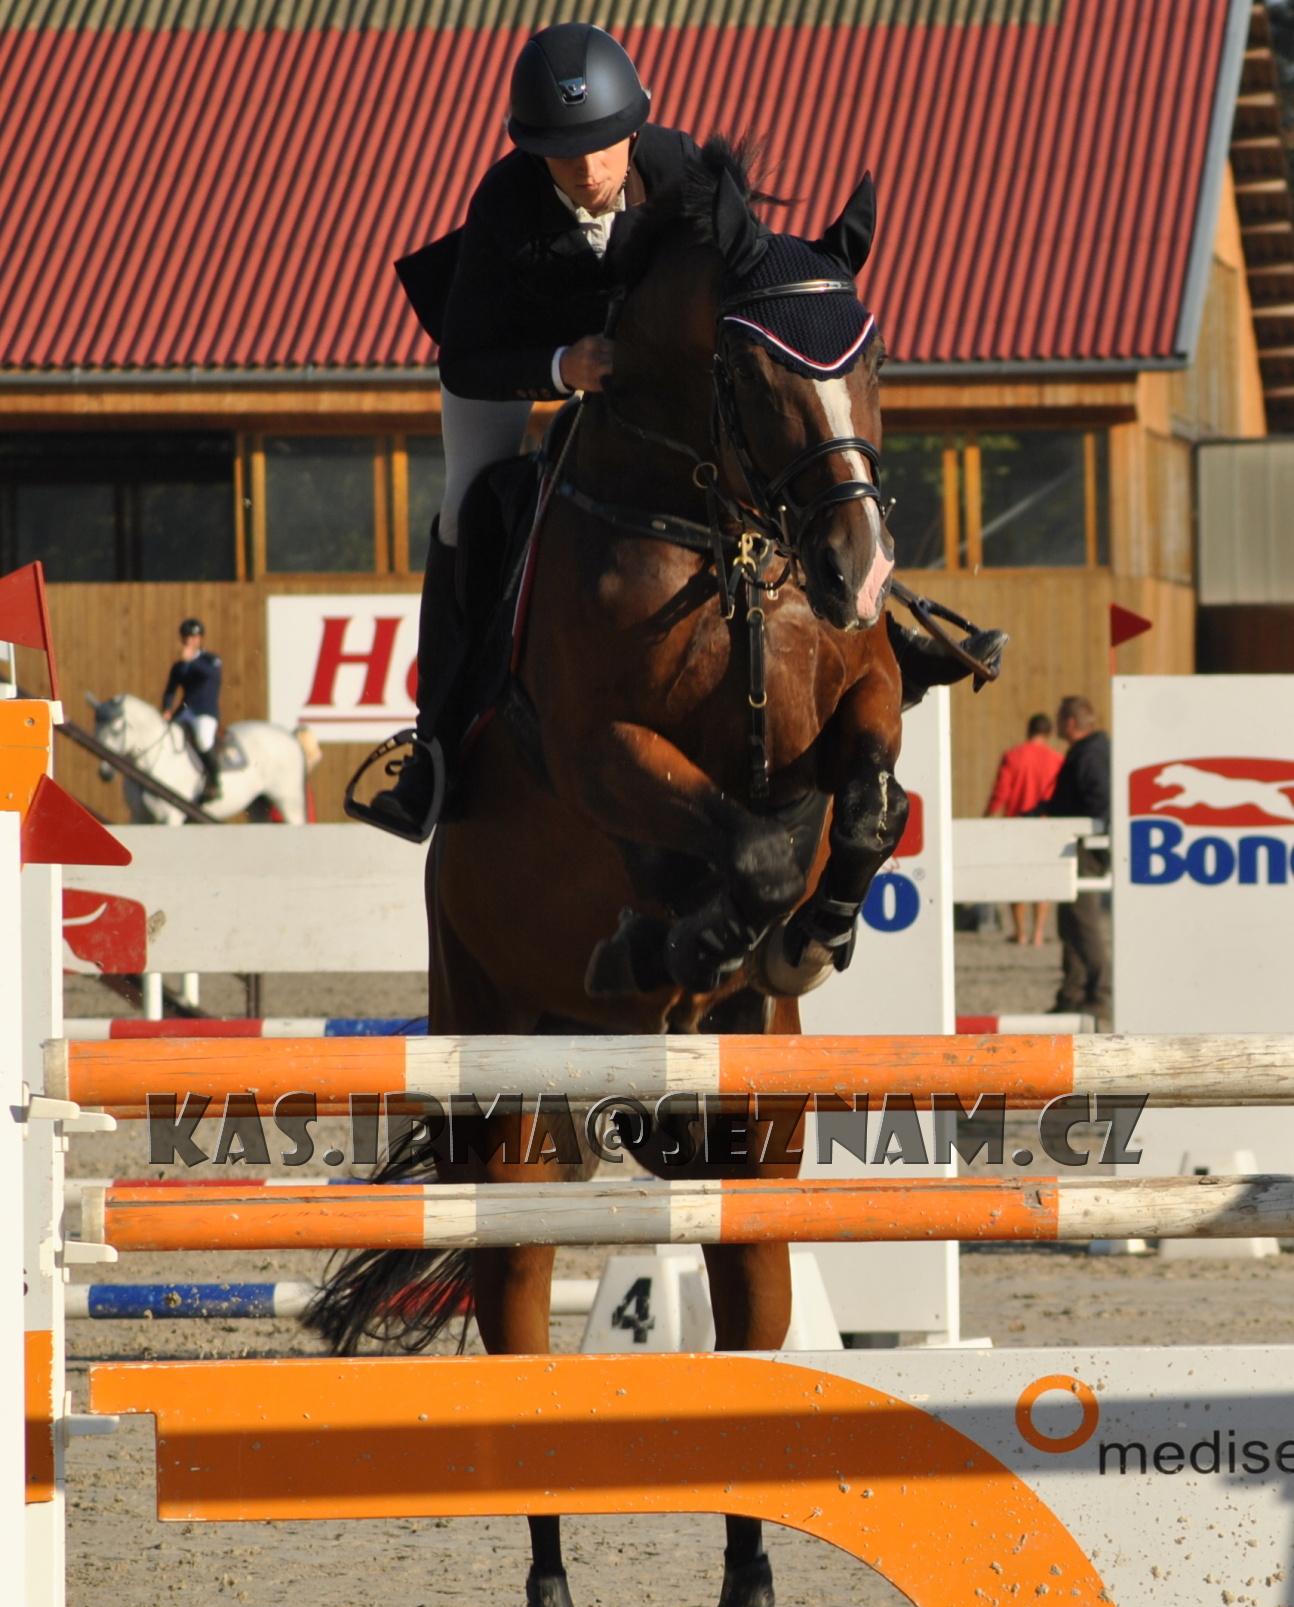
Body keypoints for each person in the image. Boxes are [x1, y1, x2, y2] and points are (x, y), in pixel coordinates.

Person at [365, 21, 1005, 840]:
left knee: (772, 452)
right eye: (564, 154)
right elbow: (466, 358)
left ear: (635, 128)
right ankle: (436, 737)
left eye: (602, 146)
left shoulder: (675, 167)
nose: (588, 170)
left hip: (646, 364)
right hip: (522, 353)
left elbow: (751, 267)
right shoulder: (504, 203)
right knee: (466, 507)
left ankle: (881, 631)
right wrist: (563, 366)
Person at [1040, 694, 1111, 1022]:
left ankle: (1098, 992)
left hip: (1085, 849)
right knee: (1070, 923)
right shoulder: (1089, 752)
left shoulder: (1090, 755)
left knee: (1082, 923)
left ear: (1070, 723)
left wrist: (1091, 840)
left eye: (1060, 718)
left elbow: (1101, 803)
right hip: (1079, 846)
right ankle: (1073, 992)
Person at [985, 712, 1063, 945]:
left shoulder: (1013, 756)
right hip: (1045, 826)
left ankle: (1020, 932)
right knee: (1043, 877)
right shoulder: (1057, 759)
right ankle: (1038, 932)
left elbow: (1001, 792)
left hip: (1016, 824)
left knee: (1017, 878)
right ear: (1049, 733)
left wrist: (988, 815)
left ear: (1029, 730)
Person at [160, 618, 223, 804]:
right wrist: (167, 709)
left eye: (194, 637)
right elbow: (170, 690)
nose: (190, 640)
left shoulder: (210, 660)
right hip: (186, 711)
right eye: (187, 637)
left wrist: (190, 662)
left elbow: (209, 674)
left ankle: (214, 781)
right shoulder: (179, 665)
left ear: (200, 639)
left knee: (203, 740)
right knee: (167, 737)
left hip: (205, 712)